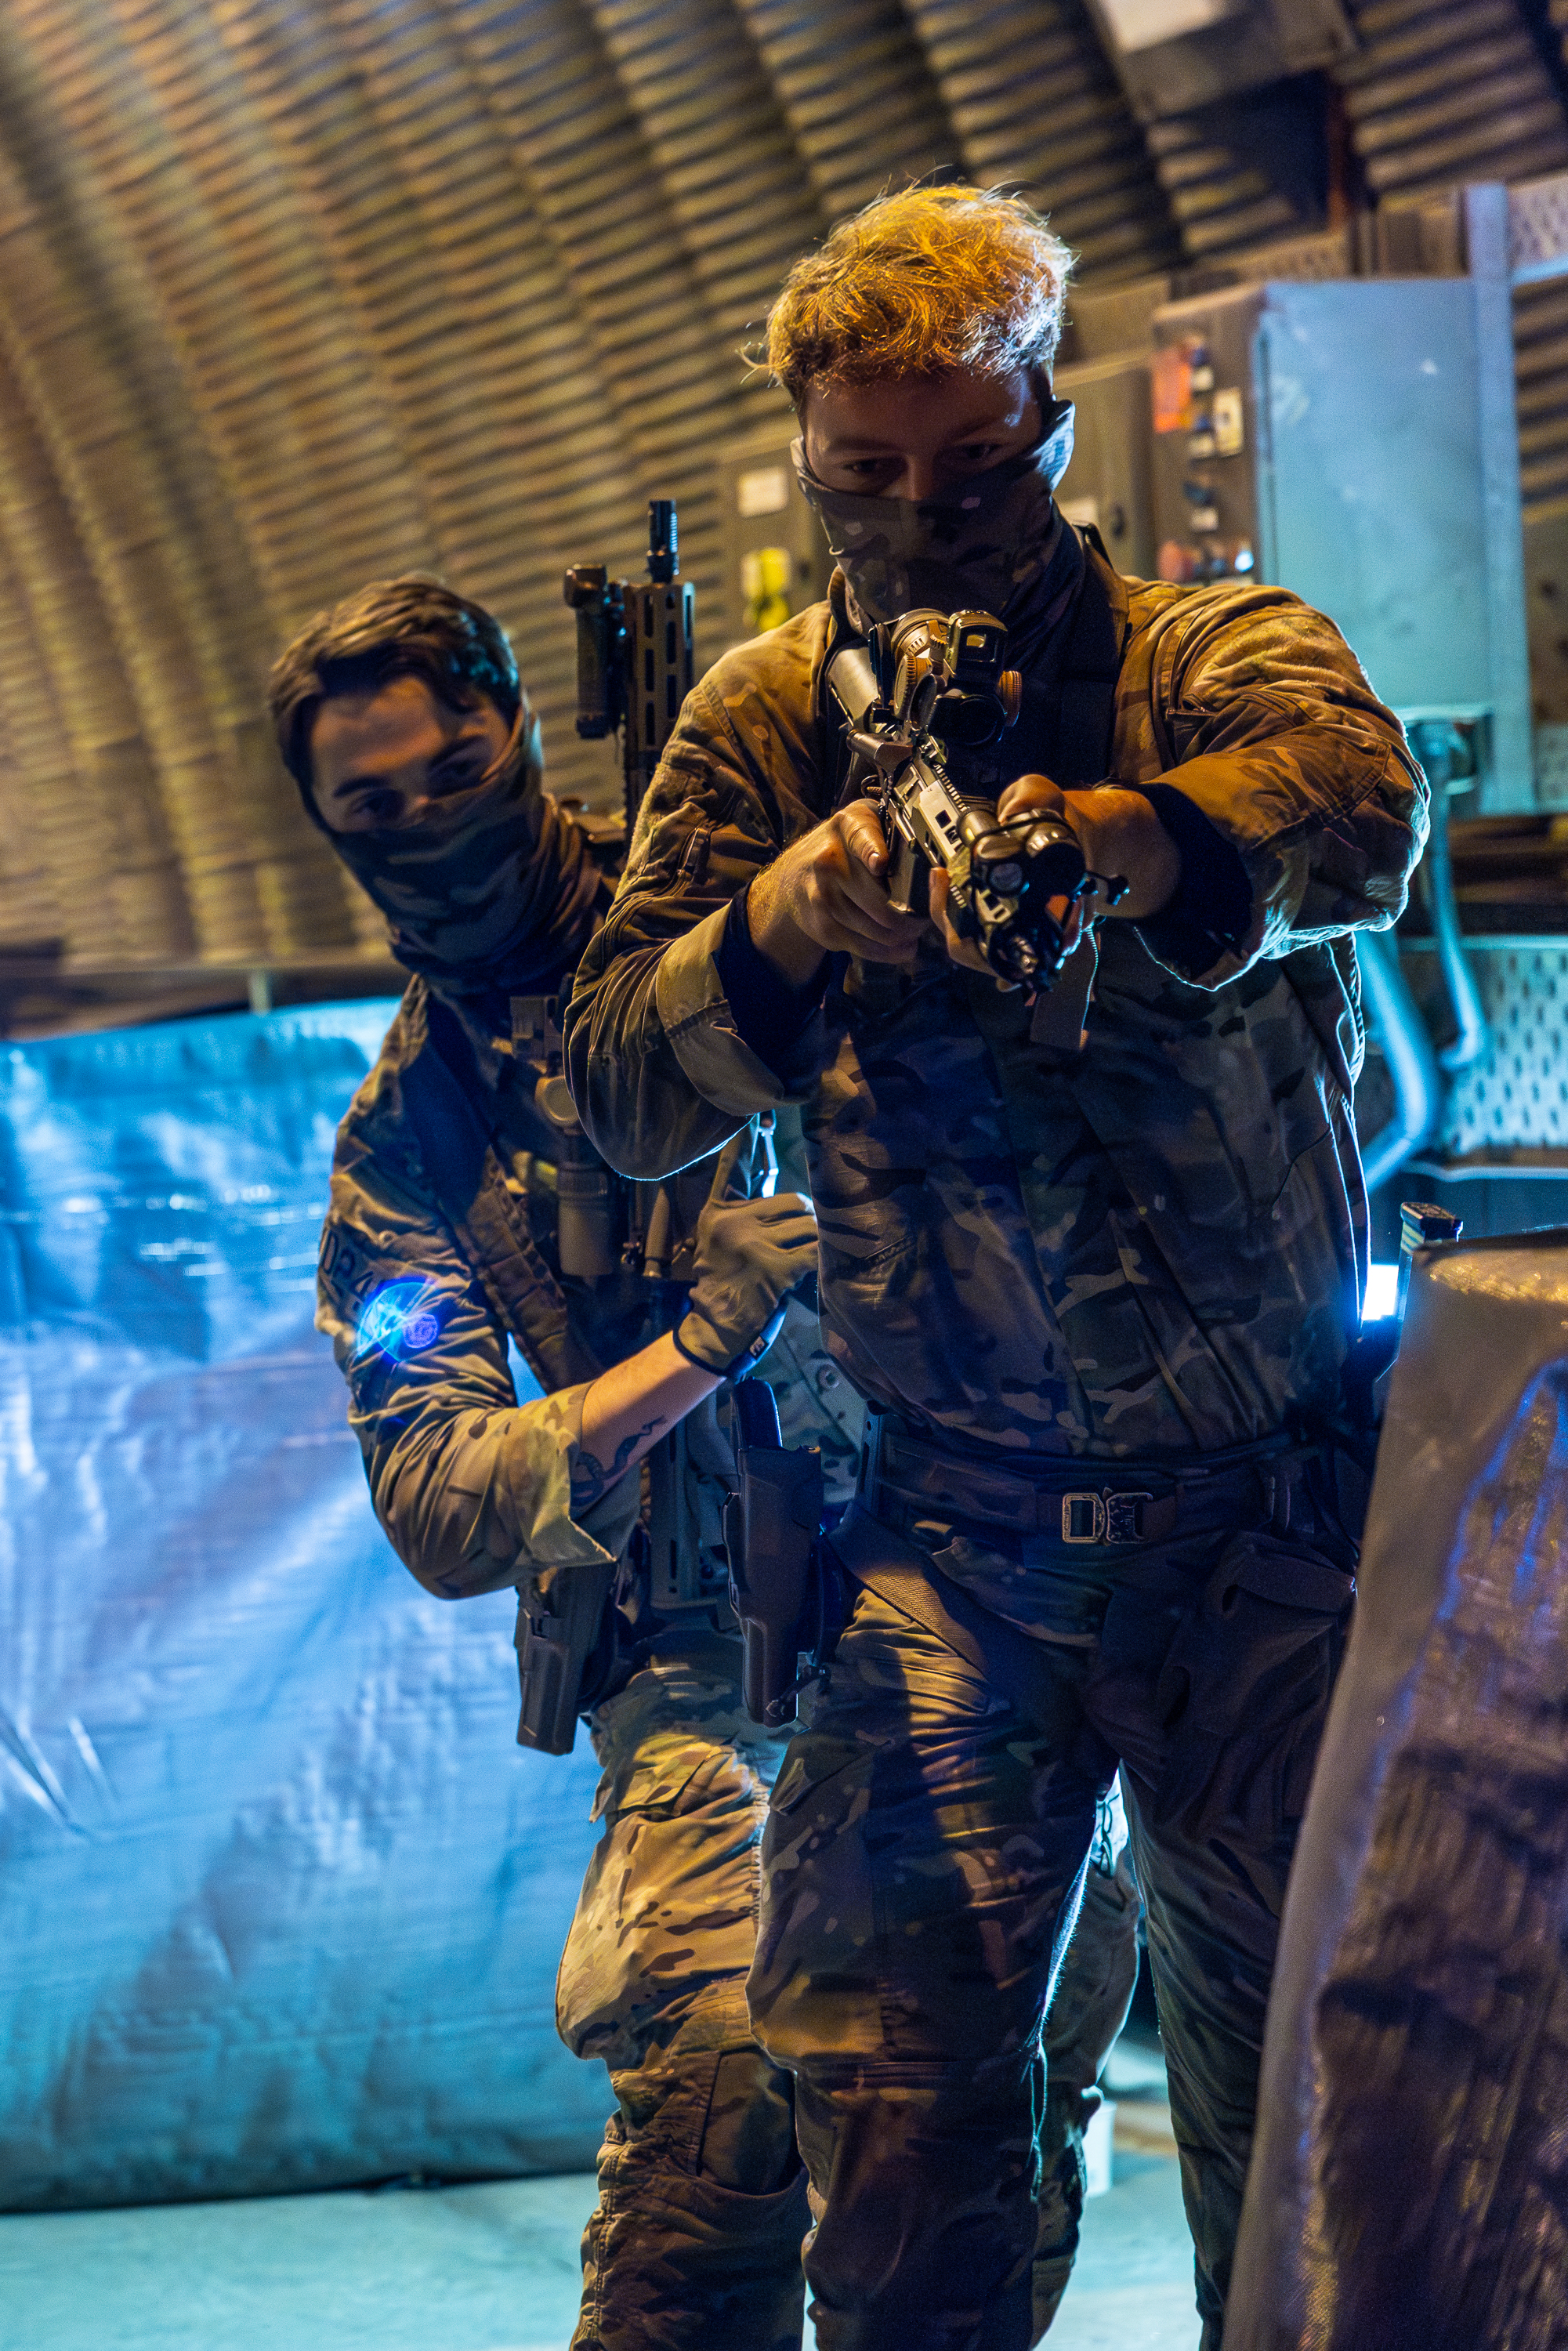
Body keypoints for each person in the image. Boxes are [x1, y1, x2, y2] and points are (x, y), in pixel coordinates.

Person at [563, 185, 1428, 2351]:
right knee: (890, 2144)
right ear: (805, 460)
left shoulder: (1201, 651)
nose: (924, 516)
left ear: (1059, 423)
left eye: (979, 461)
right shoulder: (763, 730)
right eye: (868, 478)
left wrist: (1115, 839)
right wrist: (781, 925)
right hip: (955, 1556)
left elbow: (1355, 802)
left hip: (1268, 1548)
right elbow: (609, 1078)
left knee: (1330, 2137)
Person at [268, 575, 1135, 2351]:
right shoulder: (411, 1138)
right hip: (702, 1660)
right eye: (376, 806)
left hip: (972, 1597)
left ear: (519, 729)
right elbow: (439, 1499)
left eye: (459, 765)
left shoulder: (744, 906)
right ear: (324, 832)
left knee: (969, 2126)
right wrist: (691, 1349)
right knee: (727, 2082)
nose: (430, 821)